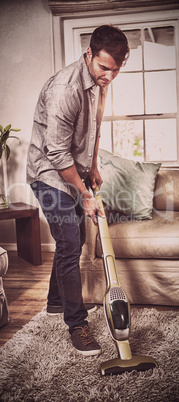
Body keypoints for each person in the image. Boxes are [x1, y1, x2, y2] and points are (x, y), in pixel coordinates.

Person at [27, 24, 129, 356]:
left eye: (116, 69)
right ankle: (77, 323)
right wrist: (84, 193)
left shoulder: (102, 82)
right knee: (70, 240)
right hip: (47, 173)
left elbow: (95, 129)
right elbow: (56, 152)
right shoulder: (65, 89)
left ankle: (56, 301)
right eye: (104, 67)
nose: (110, 76)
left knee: (77, 240)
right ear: (89, 54)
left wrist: (94, 167)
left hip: (72, 169)